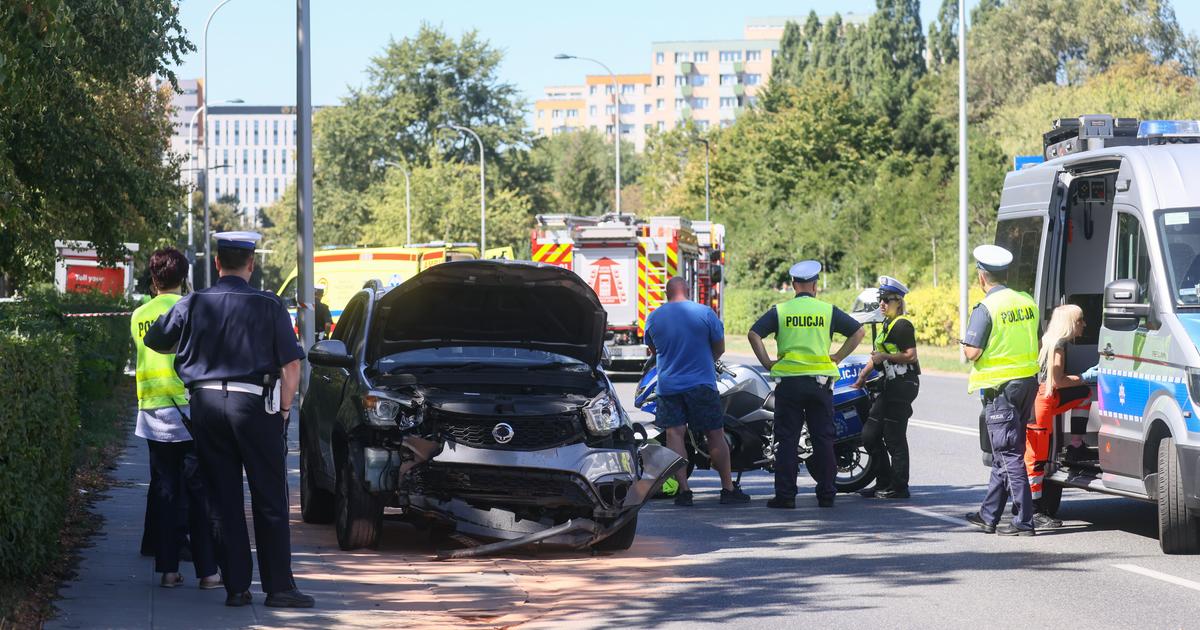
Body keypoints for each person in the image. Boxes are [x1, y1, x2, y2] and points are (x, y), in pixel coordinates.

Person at [145, 231, 314, 608]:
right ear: (251, 265)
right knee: (269, 497)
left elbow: (157, 339)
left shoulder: (194, 302)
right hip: (253, 407)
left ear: (217, 263)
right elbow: (291, 365)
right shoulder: (269, 305)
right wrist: (284, 411)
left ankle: (236, 587)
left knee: (221, 500)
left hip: (205, 406)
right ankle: (278, 588)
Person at [131, 248, 220, 589]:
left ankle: (167, 570)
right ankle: (208, 572)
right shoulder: (194, 309)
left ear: (153, 279)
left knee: (165, 490)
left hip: (152, 410)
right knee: (199, 491)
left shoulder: (138, 314)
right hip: (189, 409)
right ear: (184, 278)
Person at [748, 261, 865, 509]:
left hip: (789, 385)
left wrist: (767, 362)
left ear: (793, 285)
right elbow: (858, 332)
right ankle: (826, 494)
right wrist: (838, 357)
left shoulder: (780, 311)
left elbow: (754, 334)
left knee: (787, 440)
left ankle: (786, 496)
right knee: (823, 439)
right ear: (815, 285)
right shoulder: (827, 310)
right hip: (819, 385)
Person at [645, 277, 750, 506]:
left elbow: (653, 349)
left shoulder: (654, 317)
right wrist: (706, 360)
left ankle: (684, 491)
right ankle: (727, 489)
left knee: (675, 435)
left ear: (666, 293)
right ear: (688, 290)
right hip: (702, 383)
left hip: (669, 386)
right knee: (714, 434)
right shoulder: (705, 313)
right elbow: (719, 346)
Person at [963, 245, 1040, 536]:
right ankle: (989, 515)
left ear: (982, 277)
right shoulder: (1026, 301)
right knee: (1005, 451)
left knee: (1008, 453)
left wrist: (967, 344)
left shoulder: (987, 308)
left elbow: (972, 352)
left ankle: (1024, 520)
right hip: (1027, 383)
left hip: (1001, 389)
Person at [1027, 304, 1095, 529]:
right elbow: (1057, 381)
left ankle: (1076, 444)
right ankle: (1033, 510)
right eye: (1080, 320)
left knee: (1085, 395)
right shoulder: (1058, 346)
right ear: (1070, 323)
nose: (1084, 324)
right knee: (1036, 458)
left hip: (1046, 399)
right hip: (1042, 403)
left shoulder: (1048, 340)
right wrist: (1084, 377)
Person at [853, 276, 920, 500]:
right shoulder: (886, 324)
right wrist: (862, 377)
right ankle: (883, 480)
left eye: (887, 300)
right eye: (880, 299)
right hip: (889, 385)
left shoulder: (902, 324)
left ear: (899, 302)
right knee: (869, 435)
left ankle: (900, 486)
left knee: (894, 436)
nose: (882, 303)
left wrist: (885, 356)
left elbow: (911, 356)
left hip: (903, 385)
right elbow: (876, 356)